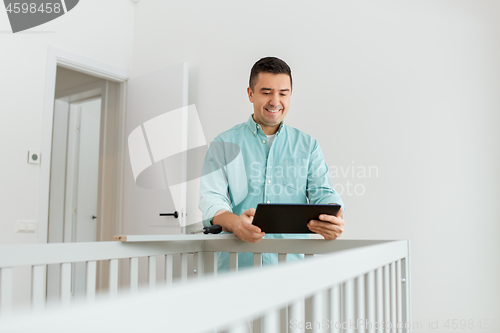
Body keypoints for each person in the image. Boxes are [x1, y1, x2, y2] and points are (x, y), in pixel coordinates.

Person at [199, 57, 345, 271]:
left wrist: (334, 216)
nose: (275, 101)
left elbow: (322, 192)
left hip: (292, 270)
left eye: (283, 93)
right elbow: (212, 200)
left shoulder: (308, 145)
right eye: (266, 92)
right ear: (250, 94)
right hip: (237, 269)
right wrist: (236, 224)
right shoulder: (224, 144)